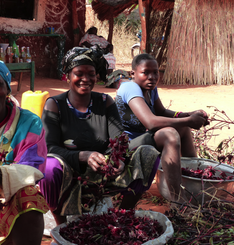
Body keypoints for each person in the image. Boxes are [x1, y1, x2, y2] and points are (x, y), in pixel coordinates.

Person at [38, 45, 161, 225]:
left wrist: (118, 158)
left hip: (103, 172)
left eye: (91, 74)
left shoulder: (104, 101)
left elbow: (119, 140)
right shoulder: (55, 105)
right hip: (70, 173)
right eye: (79, 73)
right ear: (67, 76)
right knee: (48, 167)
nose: (85, 79)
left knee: (148, 153)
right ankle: (61, 225)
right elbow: (49, 148)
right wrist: (83, 156)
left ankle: (123, 215)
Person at [115, 53, 209, 202]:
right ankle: (178, 199)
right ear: (133, 73)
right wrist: (188, 120)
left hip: (140, 139)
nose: (151, 77)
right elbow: (151, 122)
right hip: (124, 147)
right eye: (145, 72)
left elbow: (162, 112)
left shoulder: (150, 89)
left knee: (183, 129)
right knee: (170, 134)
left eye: (155, 72)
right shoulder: (130, 88)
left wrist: (187, 115)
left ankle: (192, 181)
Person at [0, 58, 49, 245]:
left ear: (7, 88)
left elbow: (32, 169)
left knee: (29, 196)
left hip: (6, 207)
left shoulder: (28, 123)